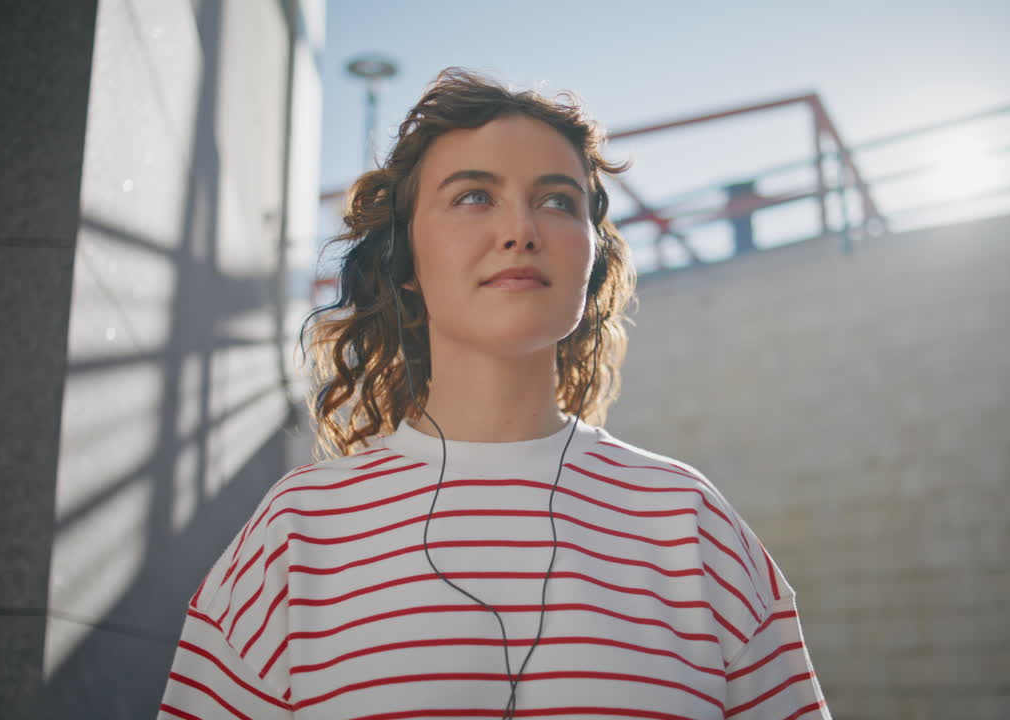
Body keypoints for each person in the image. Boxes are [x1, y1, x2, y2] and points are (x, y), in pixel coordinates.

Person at [157, 67, 830, 720]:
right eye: (474, 196)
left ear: (592, 262)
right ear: (404, 261)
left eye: (557, 200)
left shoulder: (692, 525)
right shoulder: (297, 533)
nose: (521, 231)